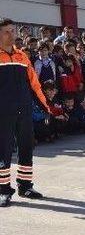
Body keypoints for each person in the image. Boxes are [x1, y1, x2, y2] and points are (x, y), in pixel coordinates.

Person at [0, 18, 52, 206]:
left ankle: (25, 186)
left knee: (26, 147)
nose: (11, 34)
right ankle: (3, 190)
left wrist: (45, 106)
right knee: (3, 151)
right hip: (3, 113)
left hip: (24, 110)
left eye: (13, 31)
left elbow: (35, 84)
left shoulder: (22, 56)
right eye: (7, 31)